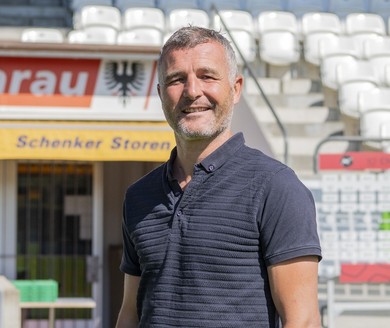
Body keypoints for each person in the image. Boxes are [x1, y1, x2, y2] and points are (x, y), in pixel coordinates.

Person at [116, 26, 322, 328]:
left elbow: (302, 321)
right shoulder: (138, 198)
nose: (192, 91)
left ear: (236, 88)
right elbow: (130, 314)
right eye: (176, 79)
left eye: (207, 76)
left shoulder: (275, 187)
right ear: (161, 94)